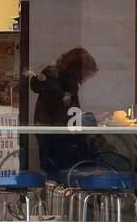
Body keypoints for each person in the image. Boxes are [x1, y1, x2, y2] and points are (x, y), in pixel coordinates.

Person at [29, 47, 99, 176]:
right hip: (58, 135)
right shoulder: (63, 81)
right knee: (65, 171)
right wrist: (86, 120)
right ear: (79, 70)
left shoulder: (55, 76)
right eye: (87, 75)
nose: (87, 80)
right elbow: (67, 111)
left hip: (50, 132)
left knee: (55, 172)